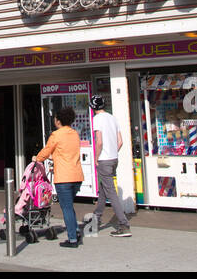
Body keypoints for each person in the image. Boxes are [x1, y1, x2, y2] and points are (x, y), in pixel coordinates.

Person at [35, 105, 84, 249]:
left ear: (58, 121)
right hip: (77, 176)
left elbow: (46, 151)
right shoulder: (74, 133)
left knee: (66, 207)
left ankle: (73, 239)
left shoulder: (56, 135)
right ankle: (75, 230)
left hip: (64, 177)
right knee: (69, 205)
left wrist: (36, 158)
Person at [88, 95, 131, 236]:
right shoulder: (112, 118)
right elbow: (120, 141)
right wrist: (113, 152)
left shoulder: (97, 119)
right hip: (114, 159)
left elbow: (99, 141)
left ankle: (124, 225)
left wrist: (96, 157)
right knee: (103, 191)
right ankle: (96, 219)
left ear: (92, 107)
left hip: (104, 160)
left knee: (111, 192)